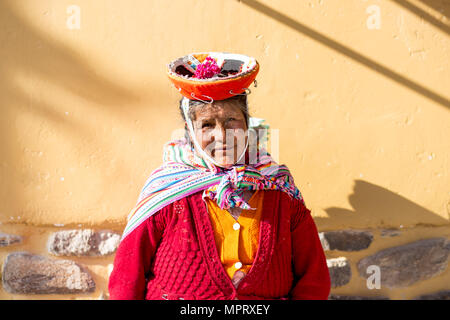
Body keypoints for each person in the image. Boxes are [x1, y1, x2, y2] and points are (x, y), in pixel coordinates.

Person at [108, 53, 331, 300]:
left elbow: (314, 279)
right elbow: (127, 279)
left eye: (231, 120)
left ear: (247, 124)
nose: (222, 135)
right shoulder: (167, 191)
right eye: (207, 125)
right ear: (191, 132)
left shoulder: (278, 188)